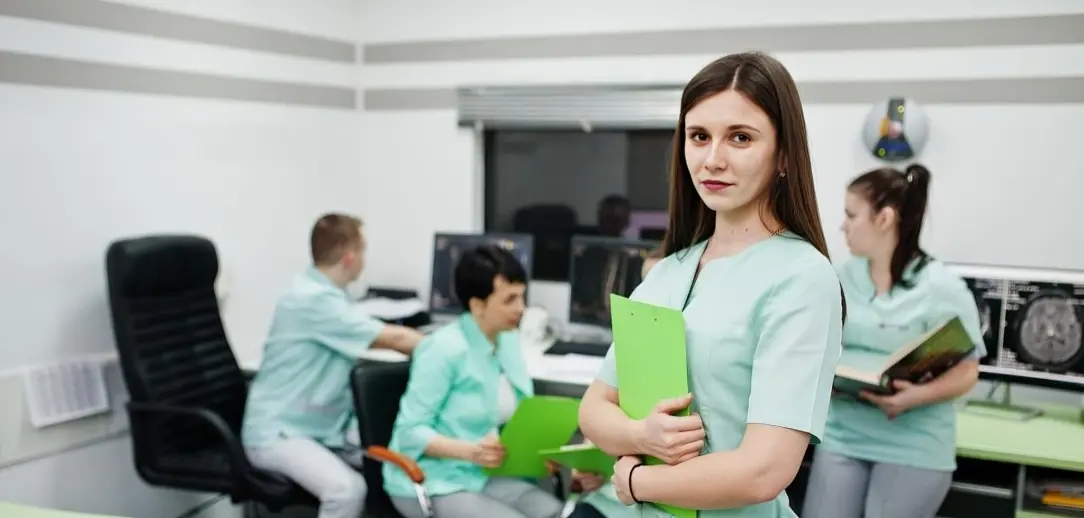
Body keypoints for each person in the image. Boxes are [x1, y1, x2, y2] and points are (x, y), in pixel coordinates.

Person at [577, 51, 844, 517]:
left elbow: (764, 470)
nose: (712, 159)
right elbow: (594, 410)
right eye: (699, 136)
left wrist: (639, 480)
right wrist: (642, 436)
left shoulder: (802, 277)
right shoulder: (667, 271)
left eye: (740, 138)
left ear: (783, 155)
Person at [801, 164, 985, 518]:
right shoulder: (839, 276)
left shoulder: (941, 288)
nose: (843, 226)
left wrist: (915, 396)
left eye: (851, 215)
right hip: (843, 435)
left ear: (884, 219)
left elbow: (966, 371)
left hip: (914, 445)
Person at [241, 213, 424, 518]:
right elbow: (394, 338)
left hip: (319, 427)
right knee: (347, 491)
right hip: (279, 433)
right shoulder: (312, 301)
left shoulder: (327, 295)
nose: (365, 258)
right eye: (363, 250)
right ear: (350, 257)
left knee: (395, 461)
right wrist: (455, 348)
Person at [384, 245, 565, 518]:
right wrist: (471, 452)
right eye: (509, 300)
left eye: (522, 297)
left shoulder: (508, 340)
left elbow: (515, 417)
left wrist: (538, 453)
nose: (521, 308)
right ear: (477, 305)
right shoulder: (443, 349)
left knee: (560, 514)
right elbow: (410, 432)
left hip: (483, 473)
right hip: (435, 479)